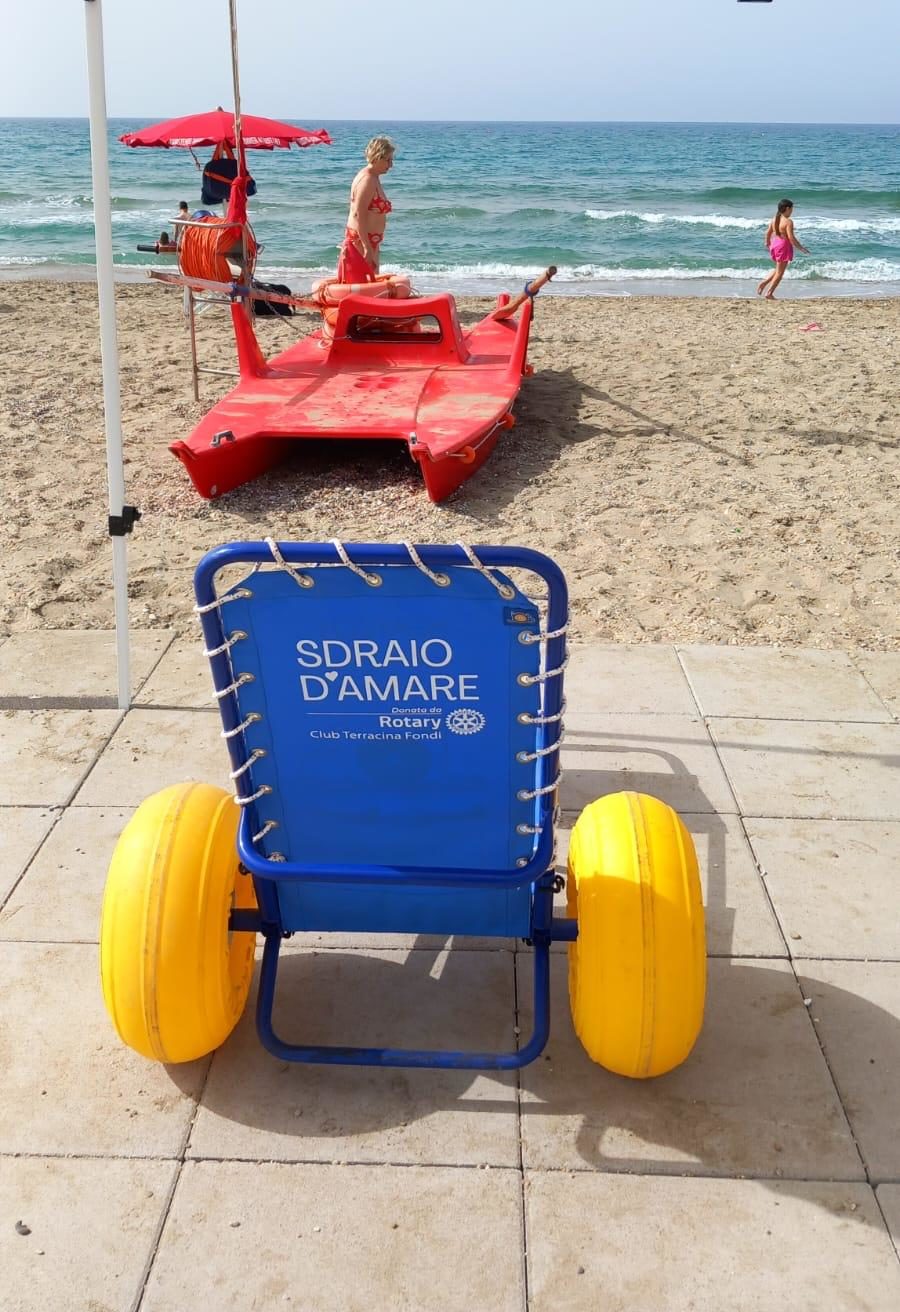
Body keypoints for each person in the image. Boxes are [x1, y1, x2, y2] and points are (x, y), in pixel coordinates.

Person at [337, 136, 395, 283]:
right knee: (364, 284)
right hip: (362, 241)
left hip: (369, 240)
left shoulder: (373, 177)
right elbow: (358, 214)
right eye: (388, 160)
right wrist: (366, 246)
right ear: (377, 157)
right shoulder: (367, 179)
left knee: (369, 282)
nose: (391, 165)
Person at [756, 199, 811, 299]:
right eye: (792, 209)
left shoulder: (775, 219)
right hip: (783, 246)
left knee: (778, 269)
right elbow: (791, 238)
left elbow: (768, 232)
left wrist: (767, 243)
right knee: (780, 273)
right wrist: (801, 248)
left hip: (775, 244)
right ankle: (769, 293)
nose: (792, 211)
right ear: (787, 208)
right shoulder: (788, 222)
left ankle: (764, 283)